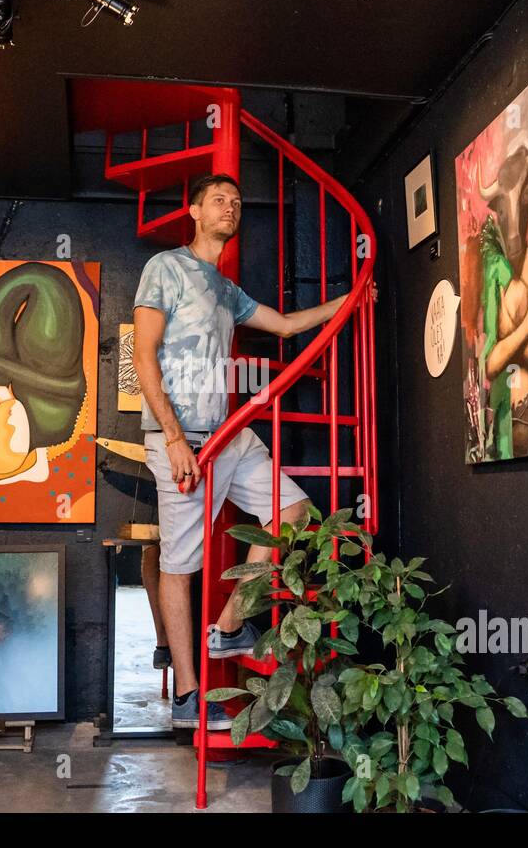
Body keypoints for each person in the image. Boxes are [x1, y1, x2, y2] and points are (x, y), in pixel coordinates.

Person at [132, 172, 375, 730]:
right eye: (218, 199)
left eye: (237, 202)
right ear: (193, 210)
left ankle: (228, 624)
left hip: (227, 434)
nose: (230, 207)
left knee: (291, 510)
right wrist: (171, 437)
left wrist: (351, 299)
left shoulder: (224, 289)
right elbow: (144, 355)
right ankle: (188, 697)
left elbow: (287, 325)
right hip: (180, 440)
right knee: (179, 564)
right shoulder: (164, 268)